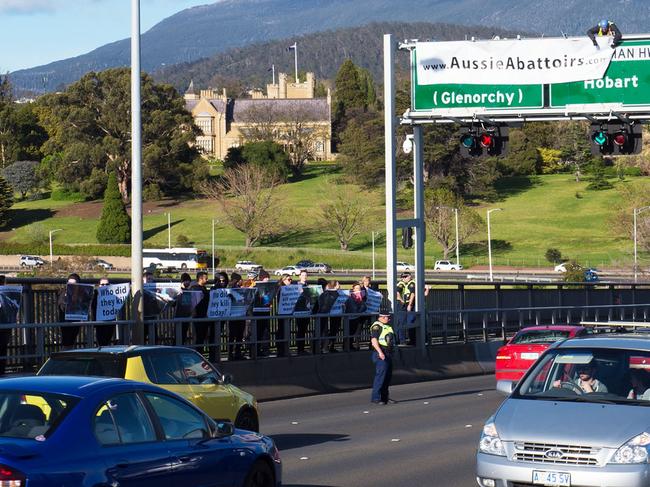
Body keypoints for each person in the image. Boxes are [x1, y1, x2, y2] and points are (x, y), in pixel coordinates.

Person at [370, 311, 396, 405]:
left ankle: (385, 398)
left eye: (389, 318)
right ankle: (376, 398)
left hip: (388, 353)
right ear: (381, 317)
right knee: (380, 376)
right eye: (387, 317)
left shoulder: (388, 326)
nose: (389, 319)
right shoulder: (377, 326)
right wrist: (380, 352)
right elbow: (374, 340)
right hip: (381, 352)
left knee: (387, 376)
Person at [191, 271, 215, 361]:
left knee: (203, 336)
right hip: (199, 316)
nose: (207, 279)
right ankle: (198, 356)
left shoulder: (203, 288)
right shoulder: (195, 288)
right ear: (200, 278)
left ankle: (202, 355)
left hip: (205, 315)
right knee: (199, 337)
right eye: (206, 278)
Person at [57, 273, 82, 349]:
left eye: (74, 284)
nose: (71, 286)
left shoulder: (81, 294)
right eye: (69, 283)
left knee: (72, 341)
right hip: (66, 323)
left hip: (75, 322)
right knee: (67, 342)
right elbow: (62, 306)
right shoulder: (63, 293)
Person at [92, 277, 114, 346]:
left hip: (110, 322)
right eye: (102, 284)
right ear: (99, 286)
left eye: (107, 284)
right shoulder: (95, 295)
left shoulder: (113, 295)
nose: (105, 286)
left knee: (108, 342)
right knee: (101, 343)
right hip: (100, 323)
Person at [345, 283, 367, 351]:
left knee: (353, 332)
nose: (358, 290)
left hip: (356, 317)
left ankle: (351, 345)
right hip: (349, 317)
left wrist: (361, 301)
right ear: (353, 289)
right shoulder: (349, 297)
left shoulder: (362, 298)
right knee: (349, 332)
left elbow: (364, 307)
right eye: (357, 288)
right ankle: (347, 346)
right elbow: (352, 309)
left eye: (359, 289)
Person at [396, 272, 416, 345]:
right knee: (401, 322)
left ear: (410, 276)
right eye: (402, 277)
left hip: (410, 304)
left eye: (405, 277)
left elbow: (413, 294)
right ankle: (402, 341)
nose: (404, 278)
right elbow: (397, 292)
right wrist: (401, 300)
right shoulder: (401, 283)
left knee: (410, 322)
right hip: (402, 304)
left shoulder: (412, 283)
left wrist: (410, 304)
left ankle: (413, 340)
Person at [295, 270, 311, 355]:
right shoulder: (297, 285)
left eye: (306, 275)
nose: (304, 276)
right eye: (303, 275)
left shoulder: (307, 285)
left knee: (304, 330)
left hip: (306, 311)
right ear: (299, 276)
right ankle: (300, 349)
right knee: (300, 330)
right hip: (299, 311)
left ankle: (302, 348)